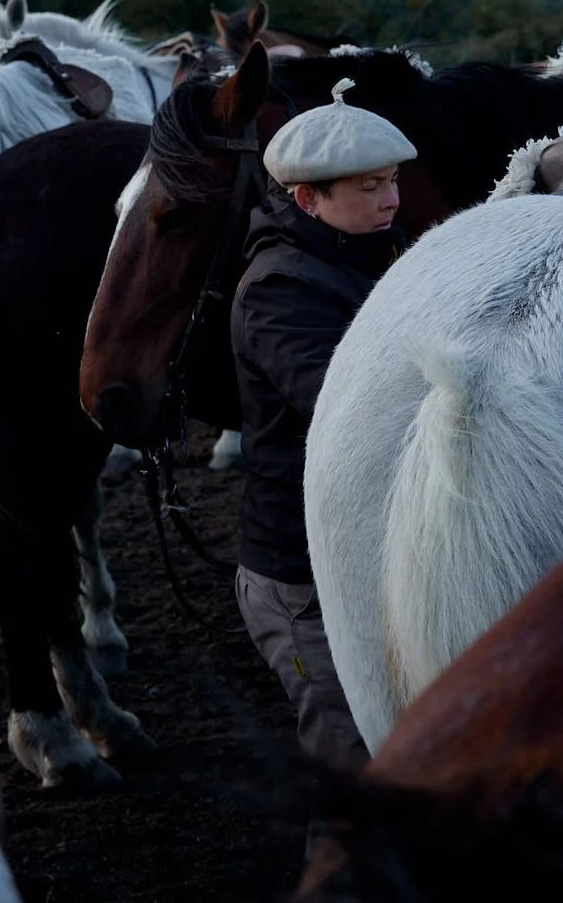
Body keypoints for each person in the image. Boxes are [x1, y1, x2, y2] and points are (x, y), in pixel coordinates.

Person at [232, 77, 415, 773]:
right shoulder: (281, 288)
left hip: (366, 554)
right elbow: (359, 409)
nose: (391, 200)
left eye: (393, 181)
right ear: (307, 199)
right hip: (300, 579)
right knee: (357, 771)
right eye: (369, 187)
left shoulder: (382, 254)